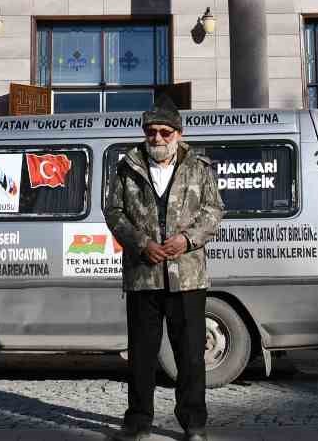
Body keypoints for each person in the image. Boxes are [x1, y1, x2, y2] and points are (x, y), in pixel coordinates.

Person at [102, 95, 225, 441]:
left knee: (190, 356)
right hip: (143, 276)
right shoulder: (127, 167)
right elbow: (114, 212)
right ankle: (138, 422)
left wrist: (187, 240)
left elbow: (214, 212)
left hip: (187, 277)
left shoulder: (198, 169)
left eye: (164, 132)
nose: (157, 138)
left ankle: (194, 424)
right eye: (151, 132)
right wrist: (142, 244)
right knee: (141, 356)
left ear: (178, 134)